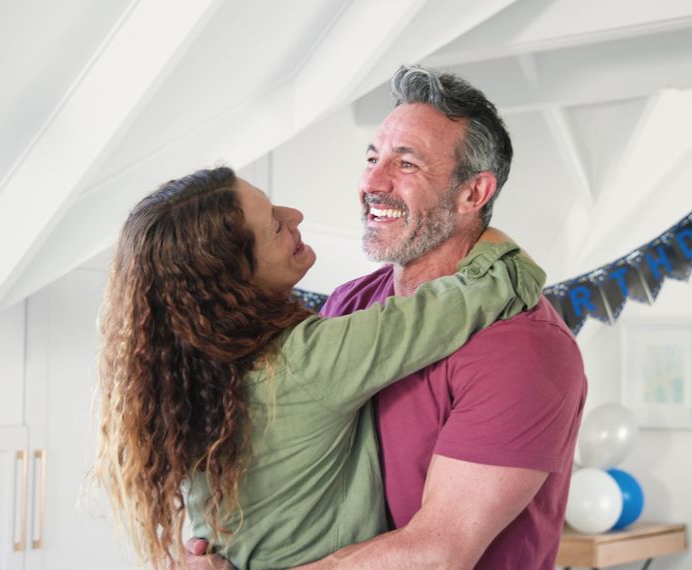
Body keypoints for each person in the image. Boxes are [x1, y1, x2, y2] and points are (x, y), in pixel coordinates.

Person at [93, 166, 545, 569]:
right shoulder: (308, 361)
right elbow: (498, 281)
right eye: (274, 224)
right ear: (233, 277)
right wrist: (475, 219)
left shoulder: (187, 381)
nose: (295, 216)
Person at [301, 64, 588, 569]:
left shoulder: (524, 345)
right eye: (372, 158)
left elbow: (438, 552)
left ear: (473, 194)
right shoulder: (348, 304)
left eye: (406, 164)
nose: (372, 181)